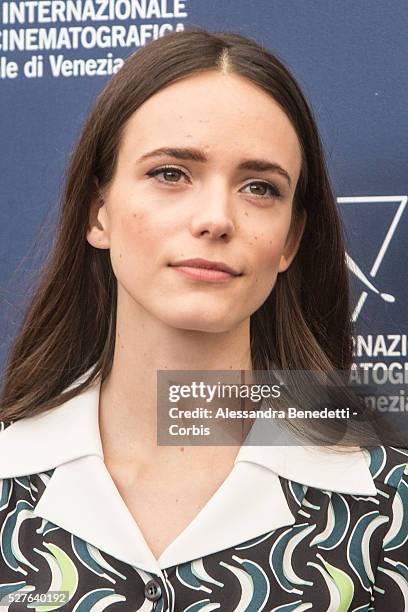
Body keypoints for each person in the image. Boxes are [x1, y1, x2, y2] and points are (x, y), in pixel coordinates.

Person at [0, 28, 407, 611]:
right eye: (171, 173)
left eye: (260, 188)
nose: (217, 219)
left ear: (290, 239)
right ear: (98, 212)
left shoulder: (389, 504)